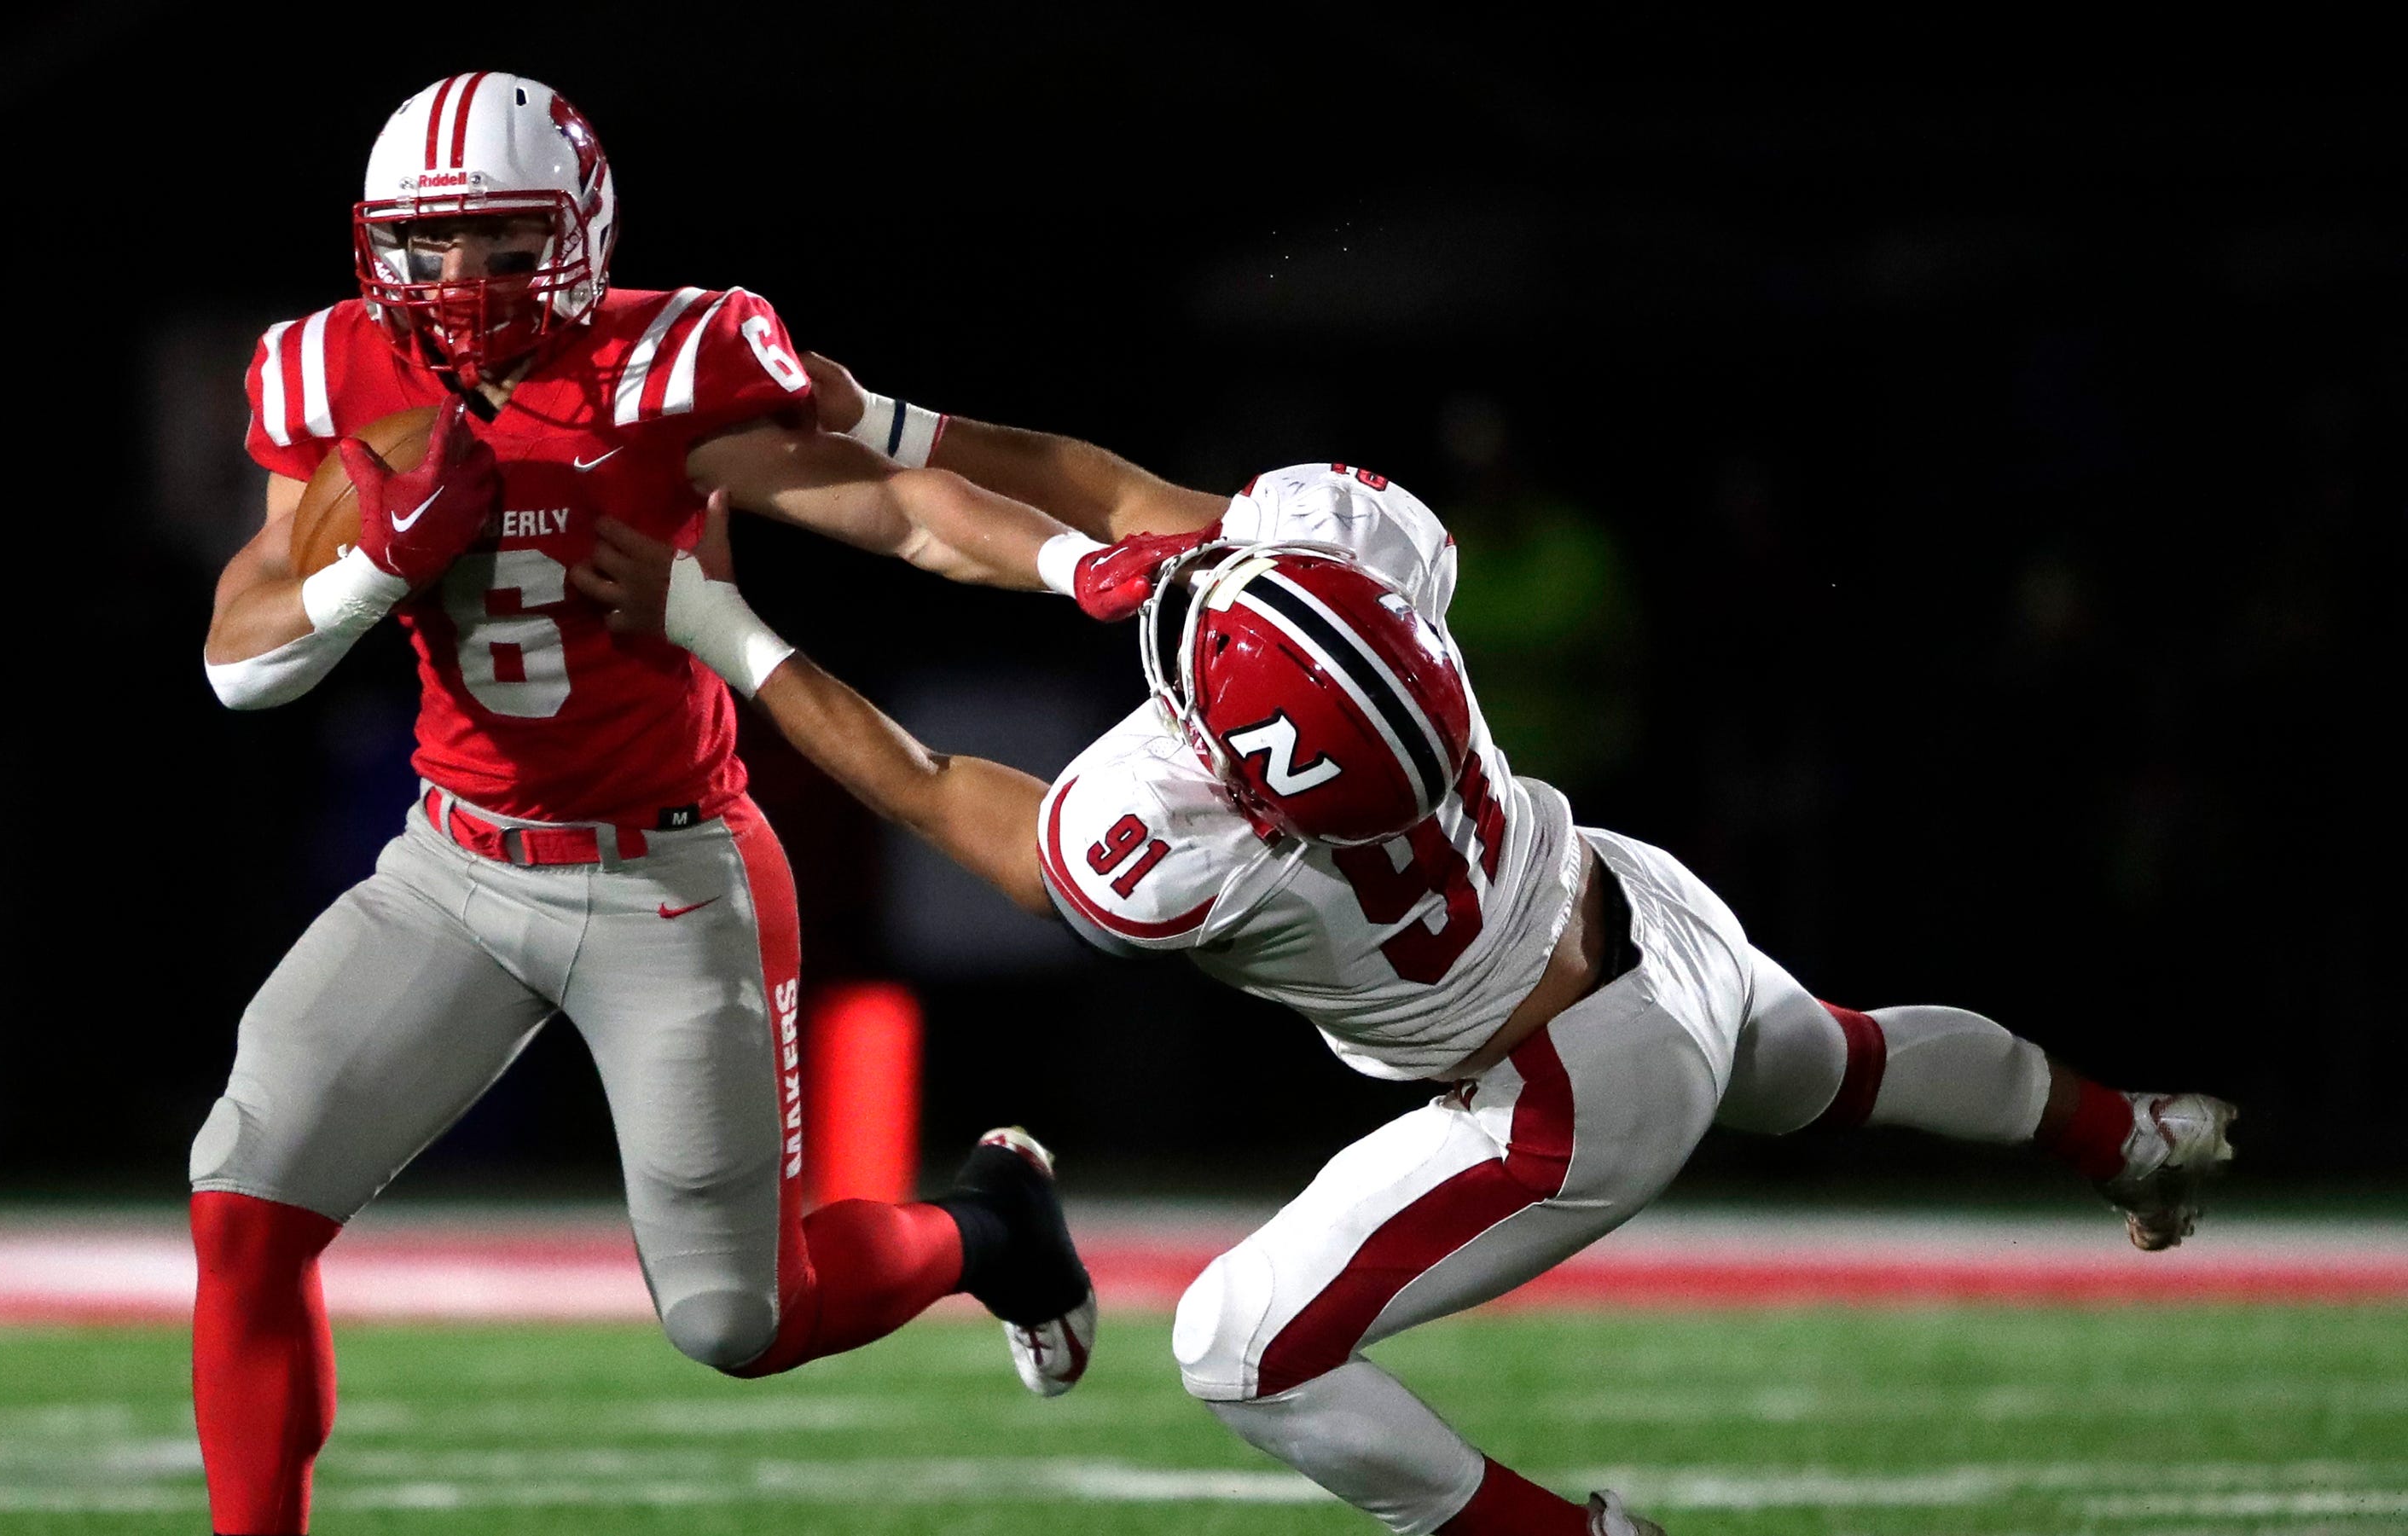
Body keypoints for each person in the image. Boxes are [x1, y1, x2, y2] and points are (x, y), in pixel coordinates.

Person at [572, 370, 2240, 1536]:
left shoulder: (1190, 849)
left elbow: (932, 788)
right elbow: (1128, 513)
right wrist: (881, 425)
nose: (1188, 621)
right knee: (1836, 1059)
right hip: (1639, 907)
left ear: (1246, 774)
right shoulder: (1368, 586)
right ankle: (2128, 1129)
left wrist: (719, 627)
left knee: (1239, 1347)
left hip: (1555, 1097)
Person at [189, 74, 1101, 1536]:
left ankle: (994, 1227)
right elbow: (241, 652)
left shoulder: (669, 364)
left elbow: (899, 510)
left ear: (580, 232)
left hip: (666, 878)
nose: (461, 282)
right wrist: (369, 571)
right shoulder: (341, 375)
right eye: (428, 245)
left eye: (499, 240)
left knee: (743, 1317)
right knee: (244, 1200)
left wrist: (1073, 566)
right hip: (452, 868)